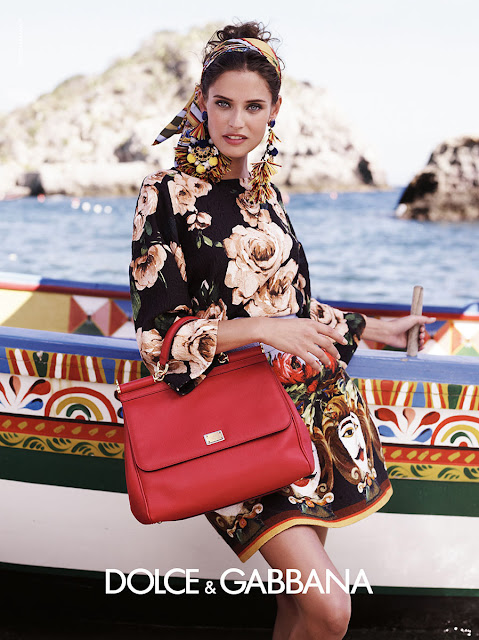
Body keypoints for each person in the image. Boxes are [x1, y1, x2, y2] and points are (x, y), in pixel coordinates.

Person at [130, 21, 435, 640]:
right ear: (201, 101)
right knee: (330, 609)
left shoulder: (267, 194)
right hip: (233, 425)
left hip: (311, 414)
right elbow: (160, 336)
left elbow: (294, 308)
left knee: (298, 608)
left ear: (275, 110)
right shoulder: (164, 193)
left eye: (253, 107)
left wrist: (376, 328)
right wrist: (264, 329)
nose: (235, 121)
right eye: (223, 103)